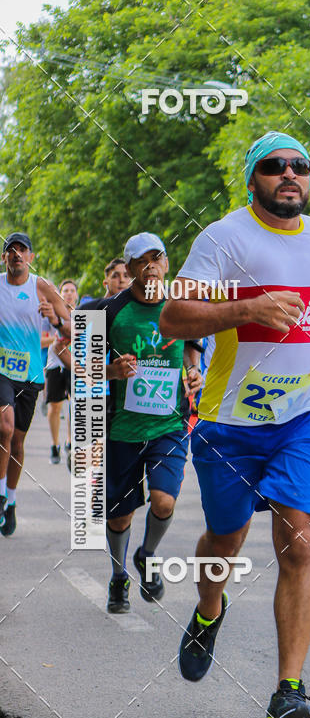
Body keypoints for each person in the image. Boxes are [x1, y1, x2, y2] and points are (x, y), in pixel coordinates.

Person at [160, 130, 310, 718]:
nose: (290, 175)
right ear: (252, 178)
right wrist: (244, 309)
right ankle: (208, 608)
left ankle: (289, 690)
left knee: (299, 544)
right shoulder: (225, 238)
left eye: (300, 166)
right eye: (275, 167)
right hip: (229, 424)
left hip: (305, 416)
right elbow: (175, 316)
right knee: (224, 541)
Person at [84, 233, 201, 613]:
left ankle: (148, 555)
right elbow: (84, 371)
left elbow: (192, 347)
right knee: (119, 517)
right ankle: (119, 577)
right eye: (142, 260)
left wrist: (195, 372)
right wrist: (110, 371)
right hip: (122, 429)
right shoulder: (107, 311)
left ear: (167, 263)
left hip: (168, 424)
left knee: (165, 500)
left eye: (157, 258)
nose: (151, 266)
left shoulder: (182, 305)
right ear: (129, 268)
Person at [0, 232, 72, 535]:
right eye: (10, 250)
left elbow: (71, 325)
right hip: (1, 370)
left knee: (17, 441)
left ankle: (12, 500)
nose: (16, 254)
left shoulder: (41, 287)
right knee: (4, 426)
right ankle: (1, 495)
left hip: (30, 375)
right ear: (4, 258)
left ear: (31, 257)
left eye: (22, 249)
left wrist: (54, 319)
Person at [44, 279, 78, 464]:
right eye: (65, 290)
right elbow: (41, 339)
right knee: (55, 406)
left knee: (75, 405)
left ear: (77, 295)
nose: (69, 294)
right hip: (54, 364)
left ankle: (70, 441)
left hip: (75, 364)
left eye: (72, 290)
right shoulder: (51, 315)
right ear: (59, 293)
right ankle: (54, 444)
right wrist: (59, 335)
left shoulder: (82, 315)